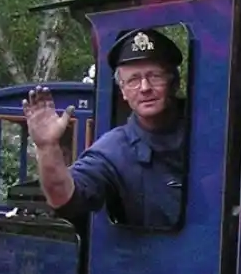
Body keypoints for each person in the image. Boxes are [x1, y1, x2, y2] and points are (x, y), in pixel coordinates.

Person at [23, 27, 188, 230]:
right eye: (133, 80)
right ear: (123, 91)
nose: (145, 88)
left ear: (174, 82)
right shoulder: (113, 151)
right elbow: (64, 198)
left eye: (154, 76)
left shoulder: (214, 128)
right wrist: (48, 147)